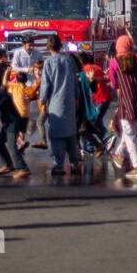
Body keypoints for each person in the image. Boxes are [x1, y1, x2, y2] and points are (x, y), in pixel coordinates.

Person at [39, 35, 80, 175]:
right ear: (61, 45)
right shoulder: (69, 60)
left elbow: (45, 84)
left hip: (55, 102)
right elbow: (75, 80)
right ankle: (75, 163)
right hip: (69, 101)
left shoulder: (48, 63)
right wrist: (77, 97)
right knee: (71, 133)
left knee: (56, 134)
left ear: (48, 47)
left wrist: (43, 100)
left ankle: (59, 164)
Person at [109, 36, 137, 177]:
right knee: (131, 131)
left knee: (130, 135)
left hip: (126, 102)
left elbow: (114, 84)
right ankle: (119, 154)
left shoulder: (114, 63)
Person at [0, 74, 28, 179]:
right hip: (8, 124)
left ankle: (23, 168)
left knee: (12, 146)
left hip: (13, 123)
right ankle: (8, 165)